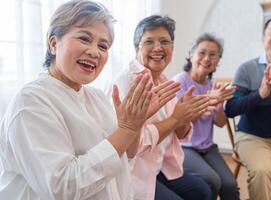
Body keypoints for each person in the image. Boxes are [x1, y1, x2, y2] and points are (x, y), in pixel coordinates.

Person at [0, 1, 169, 199]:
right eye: (84, 39)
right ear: (53, 43)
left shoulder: (96, 97)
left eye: (103, 46)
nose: (94, 52)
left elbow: (126, 155)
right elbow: (63, 188)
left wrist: (136, 123)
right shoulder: (31, 103)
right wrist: (127, 129)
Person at [110, 15, 212, 200]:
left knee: (204, 191)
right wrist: (175, 119)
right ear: (137, 47)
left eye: (164, 41)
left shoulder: (165, 80)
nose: (158, 47)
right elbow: (133, 146)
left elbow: (180, 134)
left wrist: (186, 114)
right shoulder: (129, 82)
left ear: (172, 48)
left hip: (161, 165)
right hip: (133, 173)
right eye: (149, 41)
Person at [225, 14, 271, 200]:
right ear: (263, 38)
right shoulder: (247, 69)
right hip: (252, 137)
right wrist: (260, 94)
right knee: (261, 171)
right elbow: (231, 109)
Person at [172, 33, 239, 200]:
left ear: (218, 61)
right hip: (184, 147)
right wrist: (210, 100)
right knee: (212, 180)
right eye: (202, 52)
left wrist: (217, 108)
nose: (207, 58)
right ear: (190, 55)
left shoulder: (211, 85)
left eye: (213, 54)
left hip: (207, 147)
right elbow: (179, 121)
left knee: (230, 185)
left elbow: (220, 123)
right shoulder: (179, 83)